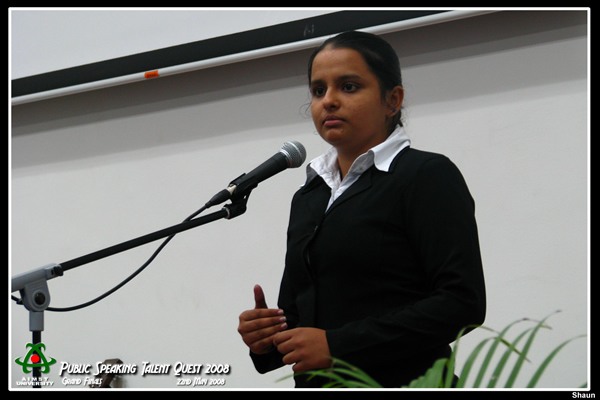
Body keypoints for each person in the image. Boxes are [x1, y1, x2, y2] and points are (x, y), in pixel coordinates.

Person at [238, 30, 486, 388]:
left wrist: (337, 346)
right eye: (318, 90)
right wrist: (266, 338)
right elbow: (303, 318)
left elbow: (462, 303)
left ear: (392, 100)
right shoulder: (309, 195)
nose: (329, 101)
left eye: (349, 87)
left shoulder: (425, 175)